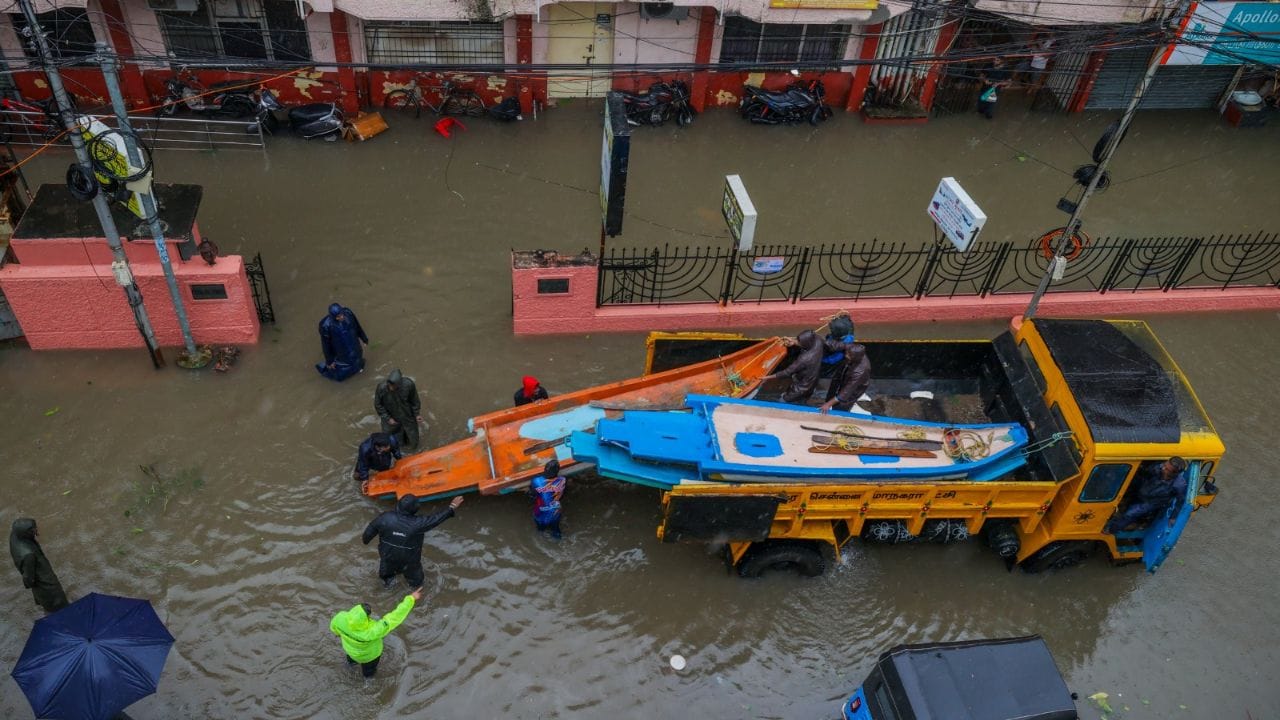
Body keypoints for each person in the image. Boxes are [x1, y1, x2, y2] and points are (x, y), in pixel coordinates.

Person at [363, 494, 464, 589]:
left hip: (388, 558)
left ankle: (387, 590)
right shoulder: (419, 523)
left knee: (386, 581)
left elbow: (368, 533)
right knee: (416, 584)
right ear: (415, 509)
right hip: (410, 563)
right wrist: (452, 506)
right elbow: (436, 519)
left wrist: (366, 540)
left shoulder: (385, 517)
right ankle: (416, 598)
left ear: (398, 505)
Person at [330, 587, 423, 678]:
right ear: (366, 618)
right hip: (369, 657)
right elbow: (395, 617)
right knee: (368, 672)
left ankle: (349, 667)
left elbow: (334, 630)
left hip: (350, 651)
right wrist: (411, 599)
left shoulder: (339, 618)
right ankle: (368, 681)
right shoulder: (373, 631)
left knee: (351, 661)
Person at [1104, 457, 1189, 534]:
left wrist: (1173, 517)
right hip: (1143, 490)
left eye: (1166, 469)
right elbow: (1145, 472)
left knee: (1130, 514)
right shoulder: (1158, 468)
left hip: (1152, 502)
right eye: (1164, 465)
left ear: (1175, 473)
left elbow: (1180, 501)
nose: (1163, 468)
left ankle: (1111, 530)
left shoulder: (1179, 485)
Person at [9, 518, 69, 613]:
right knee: (60, 608)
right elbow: (29, 579)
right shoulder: (29, 555)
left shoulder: (15, 535)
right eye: (33, 530)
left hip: (39, 583)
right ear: (25, 533)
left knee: (50, 607)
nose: (36, 531)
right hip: (47, 587)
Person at [762, 330, 831, 405]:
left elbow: (787, 372)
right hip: (813, 379)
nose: (797, 342)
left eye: (799, 341)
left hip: (802, 387)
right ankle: (803, 401)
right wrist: (793, 342)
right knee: (804, 398)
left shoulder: (805, 359)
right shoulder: (818, 340)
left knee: (783, 400)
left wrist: (766, 377)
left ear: (806, 343)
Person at [316, 303, 369, 382]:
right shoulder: (326, 326)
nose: (341, 317)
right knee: (343, 368)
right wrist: (329, 361)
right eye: (338, 316)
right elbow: (325, 345)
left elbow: (357, 326)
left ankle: (358, 368)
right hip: (340, 349)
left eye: (341, 314)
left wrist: (364, 338)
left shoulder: (348, 313)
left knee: (357, 357)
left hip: (353, 342)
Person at [375, 369, 423, 450]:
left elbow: (414, 401)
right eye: (389, 385)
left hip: (407, 415)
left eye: (393, 386)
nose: (391, 388)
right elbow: (378, 405)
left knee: (413, 439)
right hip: (391, 417)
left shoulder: (408, 385)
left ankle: (413, 450)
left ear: (399, 384)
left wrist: (417, 414)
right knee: (393, 441)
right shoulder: (381, 388)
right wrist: (388, 418)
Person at [819, 342, 872, 414]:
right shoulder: (853, 350)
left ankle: (838, 413)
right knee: (834, 389)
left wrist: (828, 405)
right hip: (846, 373)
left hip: (853, 389)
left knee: (843, 403)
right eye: (846, 353)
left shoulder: (860, 372)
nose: (846, 355)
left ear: (855, 357)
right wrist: (824, 343)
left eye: (848, 355)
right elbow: (841, 345)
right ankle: (830, 401)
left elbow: (846, 392)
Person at [529, 460, 566, 539]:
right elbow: (562, 495)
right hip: (555, 513)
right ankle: (557, 539)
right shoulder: (562, 480)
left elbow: (532, 495)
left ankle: (541, 535)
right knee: (556, 530)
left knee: (540, 530)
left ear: (545, 469)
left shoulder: (536, 481)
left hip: (540, 513)